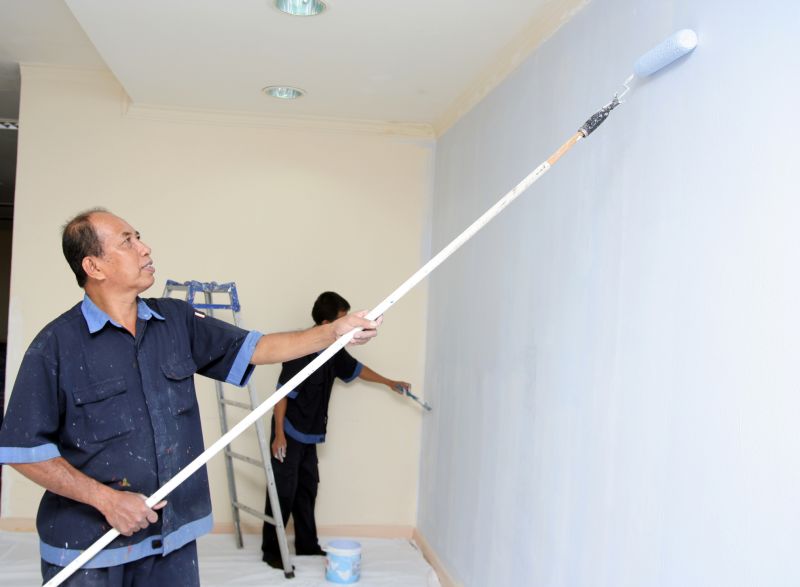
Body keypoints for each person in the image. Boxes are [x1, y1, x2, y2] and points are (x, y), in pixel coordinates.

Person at [0, 209, 381, 586]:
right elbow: (22, 450)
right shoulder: (56, 345)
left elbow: (257, 348)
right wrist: (106, 500)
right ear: (94, 266)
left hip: (172, 540)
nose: (146, 248)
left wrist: (333, 333)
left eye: (139, 237)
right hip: (88, 549)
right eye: (128, 242)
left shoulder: (176, 321)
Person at [261, 291, 410, 569]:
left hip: (310, 432)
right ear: (327, 321)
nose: (350, 325)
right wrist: (279, 434)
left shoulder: (335, 350)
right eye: (344, 320)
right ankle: (272, 551)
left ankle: (306, 545)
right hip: (289, 431)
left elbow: (357, 370)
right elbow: (281, 395)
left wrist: (390, 382)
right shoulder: (301, 350)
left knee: (307, 488)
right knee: (283, 489)